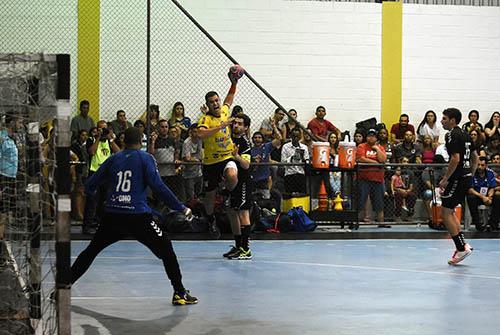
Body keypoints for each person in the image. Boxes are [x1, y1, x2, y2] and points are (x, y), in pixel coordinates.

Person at [69, 127, 197, 305]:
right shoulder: (146, 158)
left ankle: (63, 286)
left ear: (123, 141)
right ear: (140, 142)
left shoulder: (113, 159)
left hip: (112, 216)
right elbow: (159, 187)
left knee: (90, 251)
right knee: (166, 250)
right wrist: (181, 207)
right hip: (138, 217)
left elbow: (90, 186)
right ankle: (179, 293)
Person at [197, 69, 240, 238]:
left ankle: (228, 195)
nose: (216, 103)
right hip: (210, 163)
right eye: (212, 102)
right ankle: (210, 219)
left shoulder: (224, 111)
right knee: (209, 197)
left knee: (232, 175)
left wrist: (234, 83)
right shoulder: (205, 120)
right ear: (207, 105)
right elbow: (201, 134)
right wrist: (222, 126)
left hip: (227, 156)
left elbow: (230, 98)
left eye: (217, 100)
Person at [439, 107, 478, 265]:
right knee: (450, 211)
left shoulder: (451, 135)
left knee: (445, 213)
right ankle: (462, 245)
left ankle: (461, 248)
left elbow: (455, 159)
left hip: (457, 178)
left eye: (444, 118)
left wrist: (445, 179)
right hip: (465, 177)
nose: (442, 121)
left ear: (452, 120)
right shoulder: (466, 134)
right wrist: (471, 174)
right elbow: (475, 157)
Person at [223, 113, 253, 260]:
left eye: (240, 124)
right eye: (235, 123)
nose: (236, 125)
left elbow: (246, 165)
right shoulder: (228, 138)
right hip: (230, 182)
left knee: (243, 213)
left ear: (246, 127)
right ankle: (238, 246)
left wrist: (237, 157)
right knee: (232, 213)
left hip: (243, 182)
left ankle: (246, 249)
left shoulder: (245, 143)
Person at [356, 128, 387, 227]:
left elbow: (382, 160)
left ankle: (381, 223)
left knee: (379, 203)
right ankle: (357, 222)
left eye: (373, 136)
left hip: (378, 179)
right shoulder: (362, 146)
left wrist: (377, 149)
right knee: (361, 201)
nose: (371, 137)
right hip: (364, 179)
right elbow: (360, 158)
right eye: (369, 135)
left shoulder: (380, 148)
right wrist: (375, 163)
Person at [466, 156, 499, 231]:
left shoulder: (490, 173)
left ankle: (493, 225)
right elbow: (470, 189)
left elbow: (492, 187)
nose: (480, 167)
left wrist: (489, 197)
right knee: (470, 197)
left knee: (498, 198)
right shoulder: (472, 173)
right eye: (478, 165)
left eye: (482, 165)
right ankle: (478, 225)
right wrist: (482, 197)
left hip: (487, 196)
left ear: (486, 165)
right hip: (477, 196)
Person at [281, 128, 309, 194]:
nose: (295, 138)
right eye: (294, 136)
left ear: (300, 137)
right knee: (290, 196)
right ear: (291, 136)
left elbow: (307, 160)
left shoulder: (304, 147)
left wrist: (303, 160)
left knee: (302, 195)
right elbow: (282, 162)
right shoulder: (285, 146)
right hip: (289, 174)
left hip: (300, 173)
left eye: (297, 136)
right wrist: (291, 158)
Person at [182, 123, 203, 202]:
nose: (196, 134)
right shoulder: (187, 142)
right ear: (191, 132)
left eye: (198, 132)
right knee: (190, 195)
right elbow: (187, 158)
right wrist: (197, 160)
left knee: (199, 193)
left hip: (198, 171)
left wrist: (198, 159)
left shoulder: (200, 140)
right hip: (189, 172)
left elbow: (201, 154)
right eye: (194, 132)